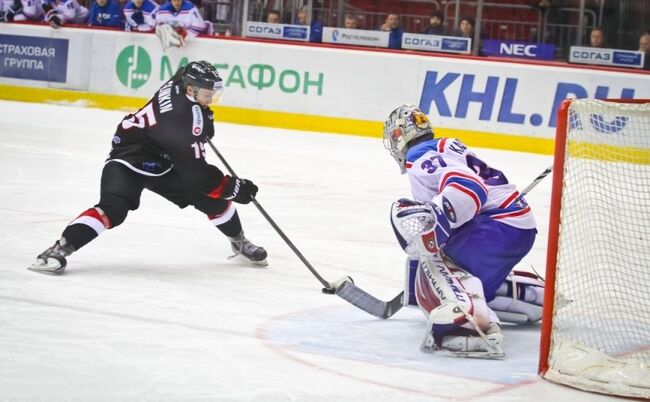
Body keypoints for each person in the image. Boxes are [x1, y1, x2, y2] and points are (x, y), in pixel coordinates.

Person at [28, 61, 268, 275]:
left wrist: (205, 118)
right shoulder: (181, 122)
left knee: (212, 201)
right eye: (208, 94)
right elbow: (198, 175)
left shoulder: (180, 82)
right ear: (191, 90)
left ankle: (238, 240)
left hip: (164, 160)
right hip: (130, 159)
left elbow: (184, 70)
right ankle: (58, 250)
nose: (211, 98)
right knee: (113, 209)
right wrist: (235, 188)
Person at [381, 104, 543, 358]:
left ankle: (470, 324)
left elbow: (469, 187)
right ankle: (533, 296)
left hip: (497, 228)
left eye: (394, 137)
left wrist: (436, 224)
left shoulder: (420, 158)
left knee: (434, 259)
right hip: (517, 227)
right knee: (454, 265)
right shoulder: (443, 146)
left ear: (402, 135)